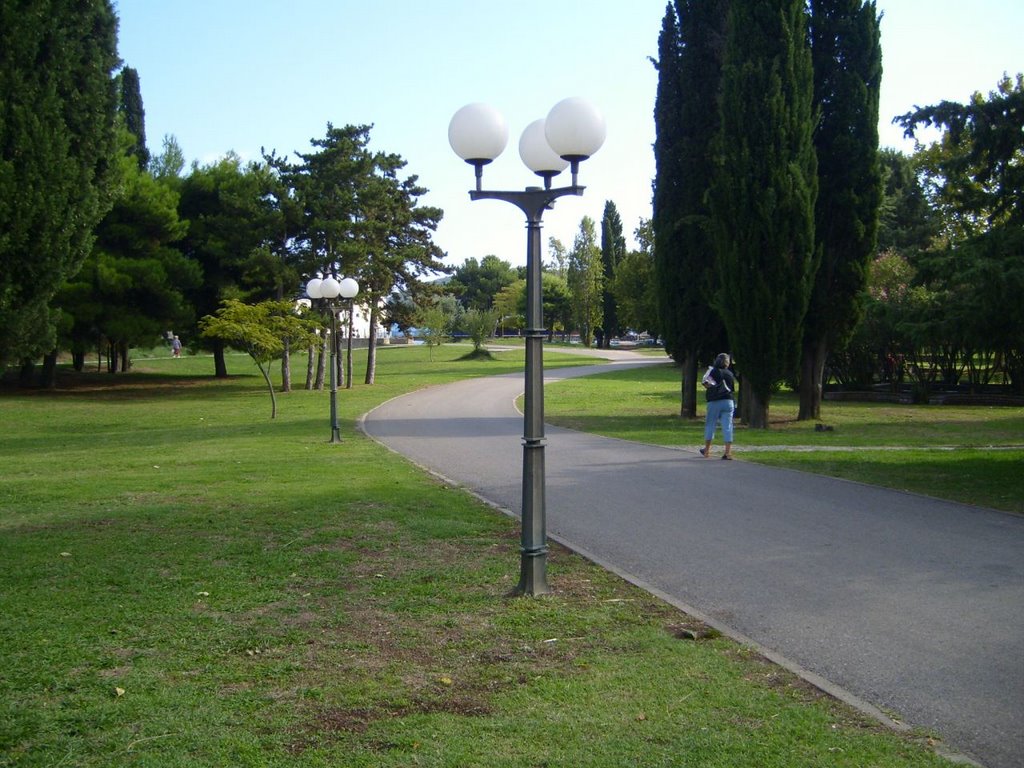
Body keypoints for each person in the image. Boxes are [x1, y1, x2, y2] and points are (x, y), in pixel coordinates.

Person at [700, 352, 736, 460]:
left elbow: (705, 383)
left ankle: (706, 451)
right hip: (728, 402)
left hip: (715, 401)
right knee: (728, 426)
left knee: (710, 424)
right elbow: (732, 388)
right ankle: (728, 452)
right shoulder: (729, 373)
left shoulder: (713, 371)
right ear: (727, 363)